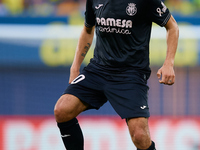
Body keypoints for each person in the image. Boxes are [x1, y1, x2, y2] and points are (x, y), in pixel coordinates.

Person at [54, 0, 179, 149]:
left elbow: (172, 27)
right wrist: (75, 67)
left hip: (131, 74)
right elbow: (88, 30)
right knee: (62, 110)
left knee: (139, 136)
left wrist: (168, 63)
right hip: (99, 69)